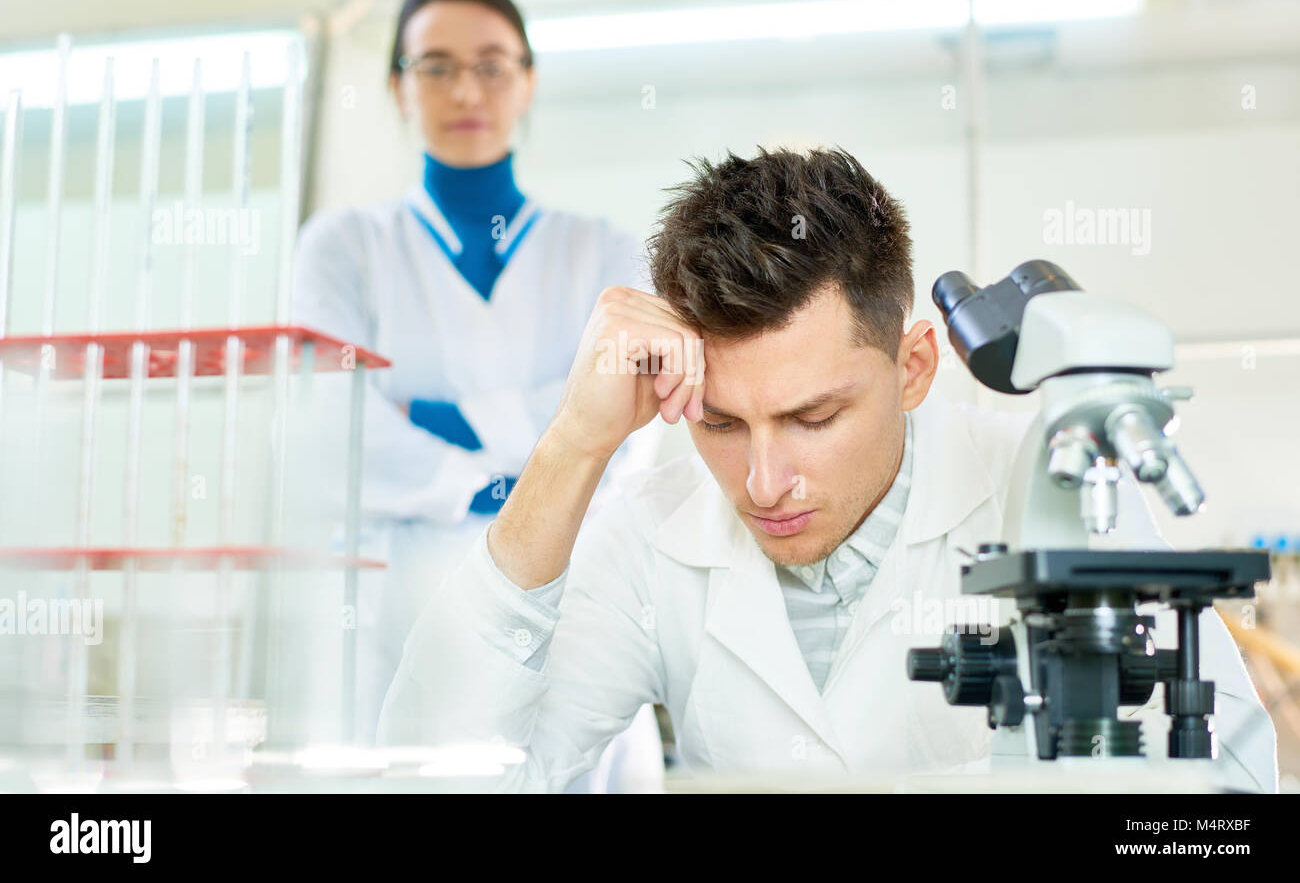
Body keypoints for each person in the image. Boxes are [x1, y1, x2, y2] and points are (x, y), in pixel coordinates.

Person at [377, 146, 1278, 792]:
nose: (764, 482)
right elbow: (436, 778)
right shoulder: (655, 527)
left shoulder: (1050, 487)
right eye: (722, 421)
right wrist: (572, 442)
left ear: (913, 367)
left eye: (814, 417)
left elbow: (1236, 787)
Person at [291, 0, 662, 776]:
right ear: (398, 86)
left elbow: (635, 417)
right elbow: (334, 427)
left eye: (493, 63)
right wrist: (554, 442)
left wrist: (435, 416)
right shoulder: (344, 248)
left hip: (573, 603)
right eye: (435, 65)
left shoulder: (603, 252)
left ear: (527, 81)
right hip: (397, 612)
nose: (466, 87)